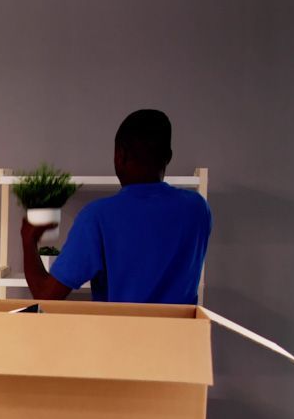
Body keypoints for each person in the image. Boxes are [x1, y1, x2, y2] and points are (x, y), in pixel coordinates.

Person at [20, 108, 211, 305]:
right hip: (184, 336)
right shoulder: (197, 209)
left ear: (119, 156)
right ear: (168, 157)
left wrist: (28, 239)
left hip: (118, 335)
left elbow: (46, 296)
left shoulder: (97, 217)